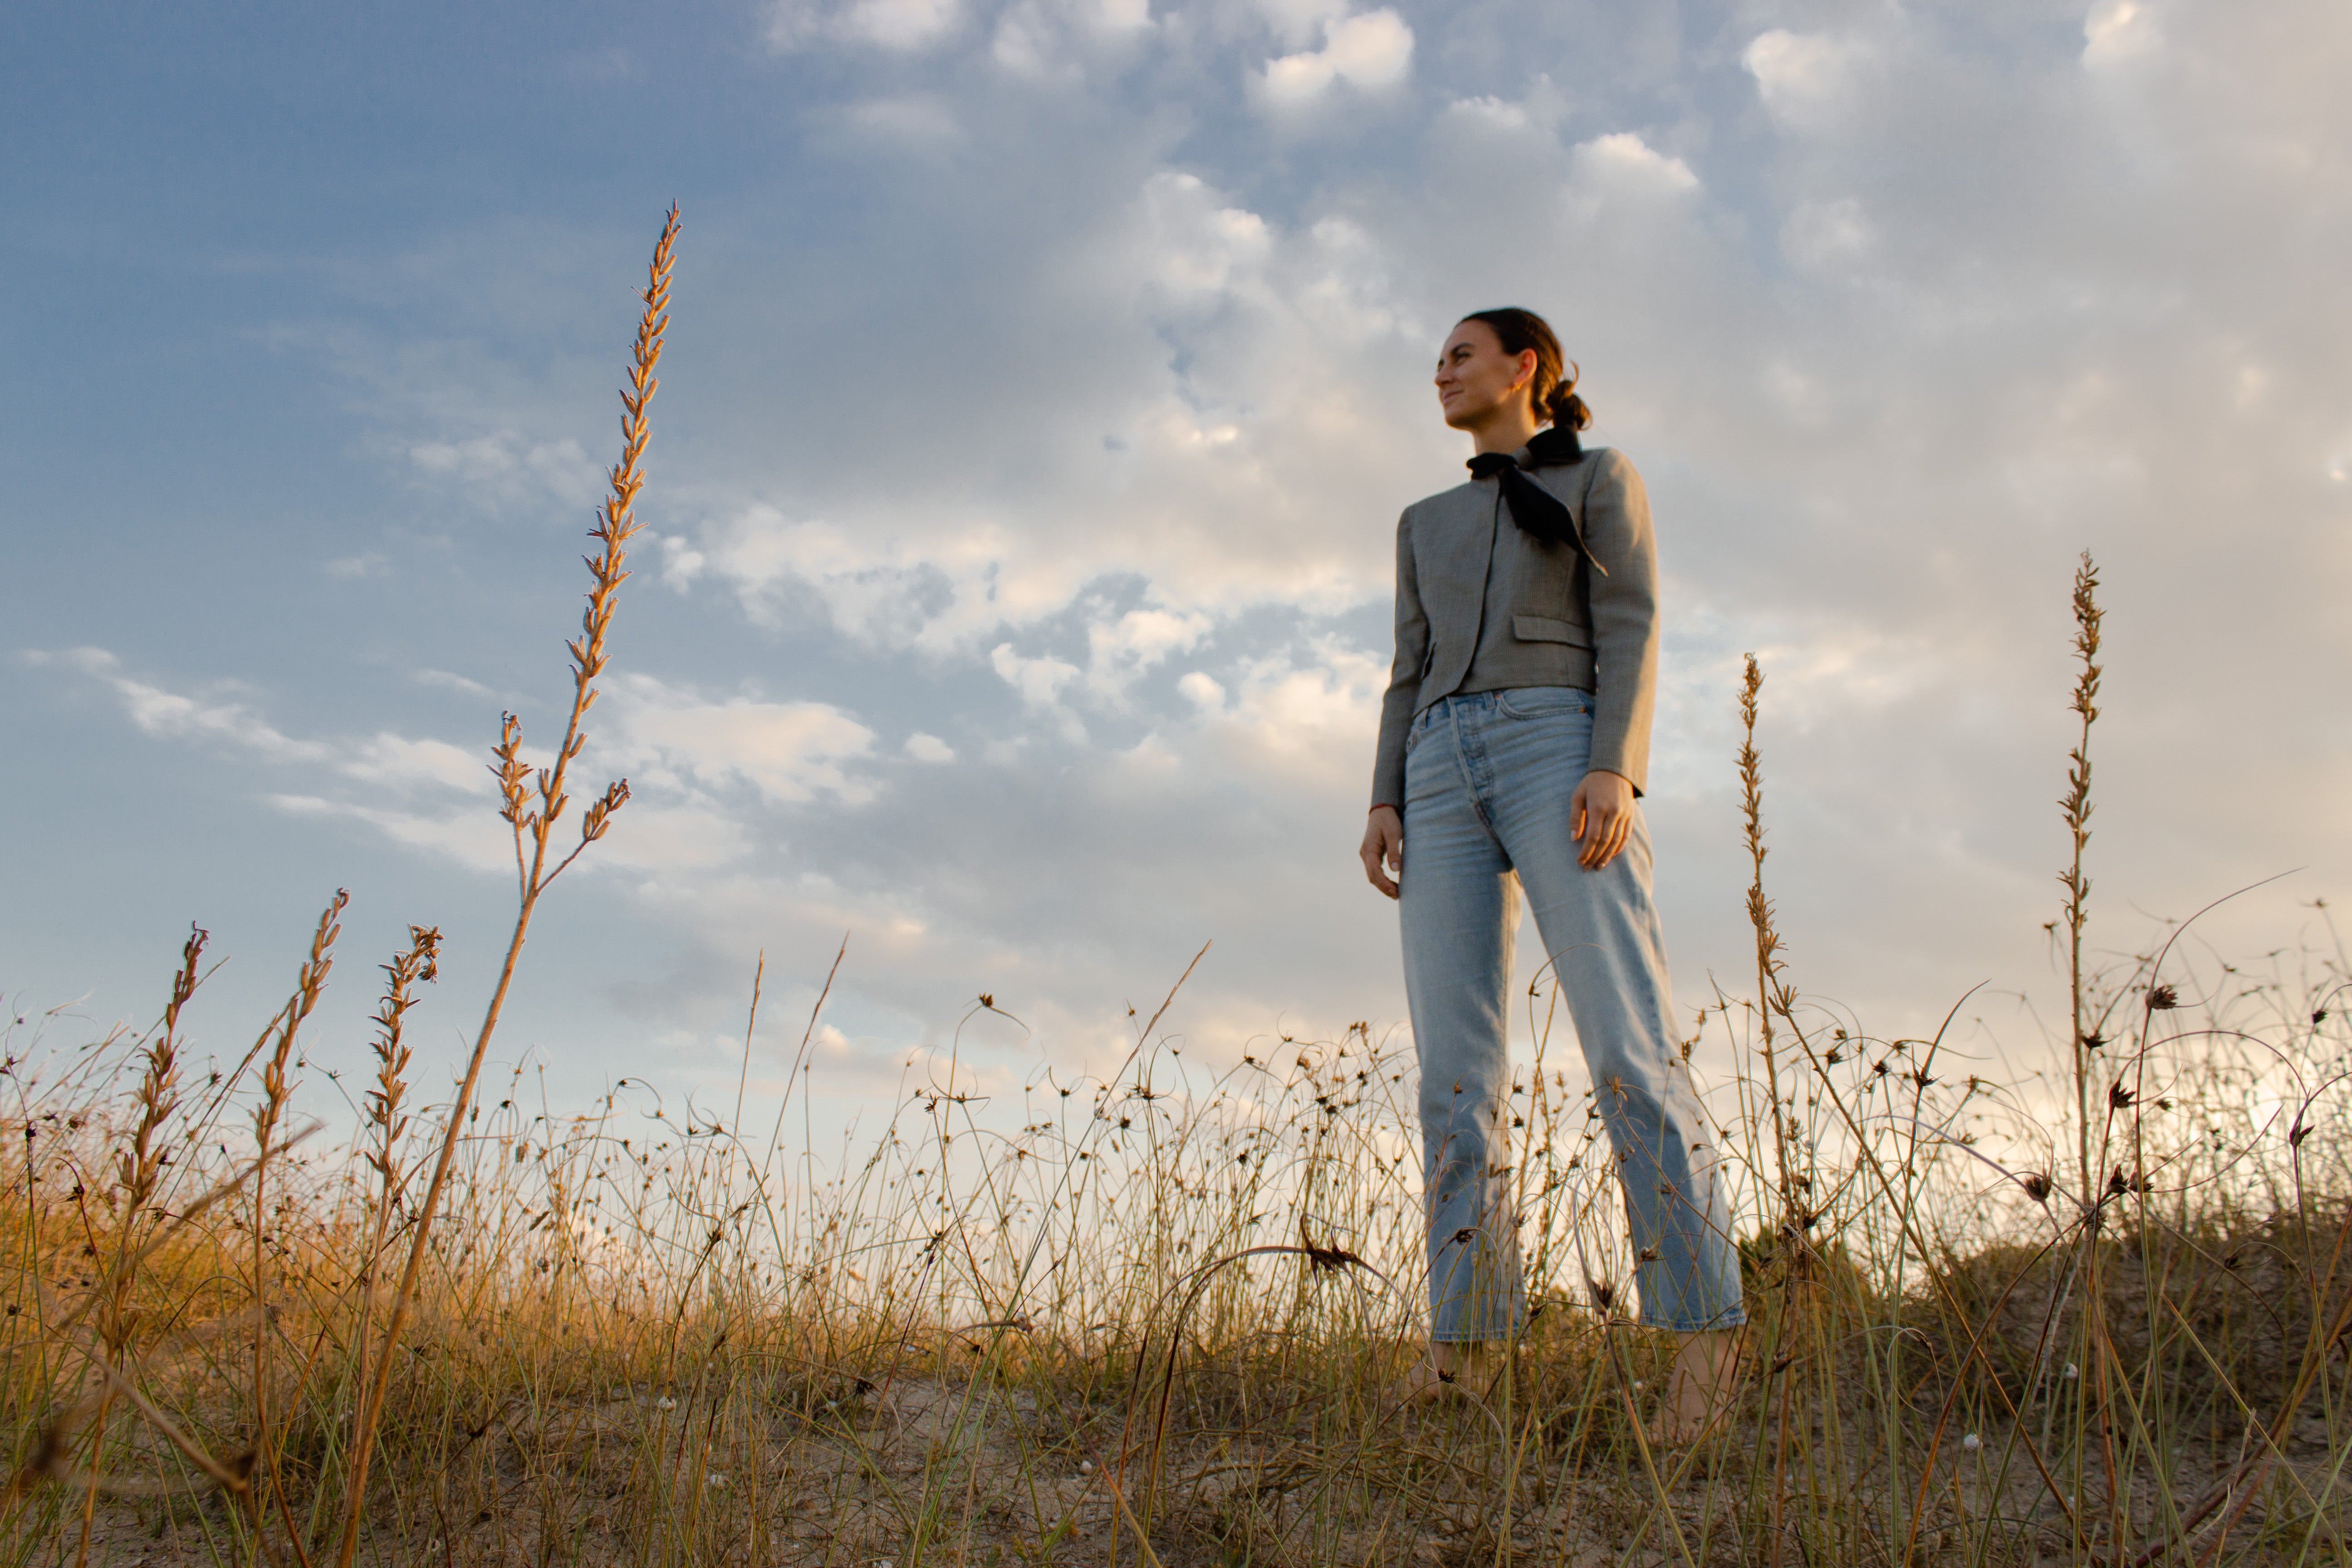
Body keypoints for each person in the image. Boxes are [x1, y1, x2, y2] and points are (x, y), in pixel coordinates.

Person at [1358, 308, 1744, 1441]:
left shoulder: (1597, 480)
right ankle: (1465, 1350)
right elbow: (1404, 668)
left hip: (1554, 746)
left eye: (1460, 354)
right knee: (1453, 1075)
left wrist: (1612, 768)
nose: (1441, 371)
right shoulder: (1421, 520)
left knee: (1628, 1048)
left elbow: (1632, 621)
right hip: (1435, 769)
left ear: (1526, 367)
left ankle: (1701, 1345)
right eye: (1436, 361)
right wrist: (1385, 793)